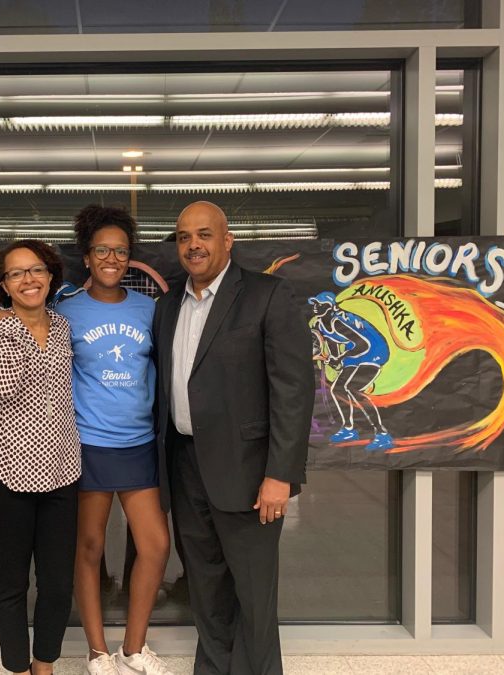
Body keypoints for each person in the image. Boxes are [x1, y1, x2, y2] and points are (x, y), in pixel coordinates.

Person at [152, 201, 314, 675]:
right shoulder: (167, 306)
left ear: (227, 241)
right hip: (184, 466)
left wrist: (280, 476)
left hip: (249, 473)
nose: (193, 245)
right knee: (204, 584)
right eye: (184, 237)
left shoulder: (267, 295)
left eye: (204, 234)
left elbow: (293, 391)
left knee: (253, 592)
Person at [56, 205, 173, 675]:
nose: (111, 257)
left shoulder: (150, 309)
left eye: (120, 251)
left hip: (139, 444)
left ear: (130, 258)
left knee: (156, 544)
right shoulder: (65, 312)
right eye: (102, 249)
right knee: (88, 547)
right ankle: (97, 652)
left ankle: (134, 648)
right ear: (87, 256)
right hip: (88, 446)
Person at [0, 240, 81, 675]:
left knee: (57, 584)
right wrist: (13, 326)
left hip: (61, 470)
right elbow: (5, 387)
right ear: (3, 285)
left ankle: (44, 664)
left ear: (51, 275)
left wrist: (32, 324)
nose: (28, 279)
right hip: (3, 471)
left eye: (36, 270)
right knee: (11, 581)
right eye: (15, 274)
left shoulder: (62, 326)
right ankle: (17, 668)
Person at [308, 291, 394, 450]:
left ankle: (382, 434)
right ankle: (349, 429)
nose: (315, 307)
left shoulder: (338, 322)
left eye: (319, 304)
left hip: (375, 349)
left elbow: (363, 345)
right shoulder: (320, 324)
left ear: (329, 307)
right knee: (338, 389)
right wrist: (335, 359)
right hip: (355, 350)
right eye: (314, 304)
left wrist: (339, 358)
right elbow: (332, 343)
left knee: (353, 388)